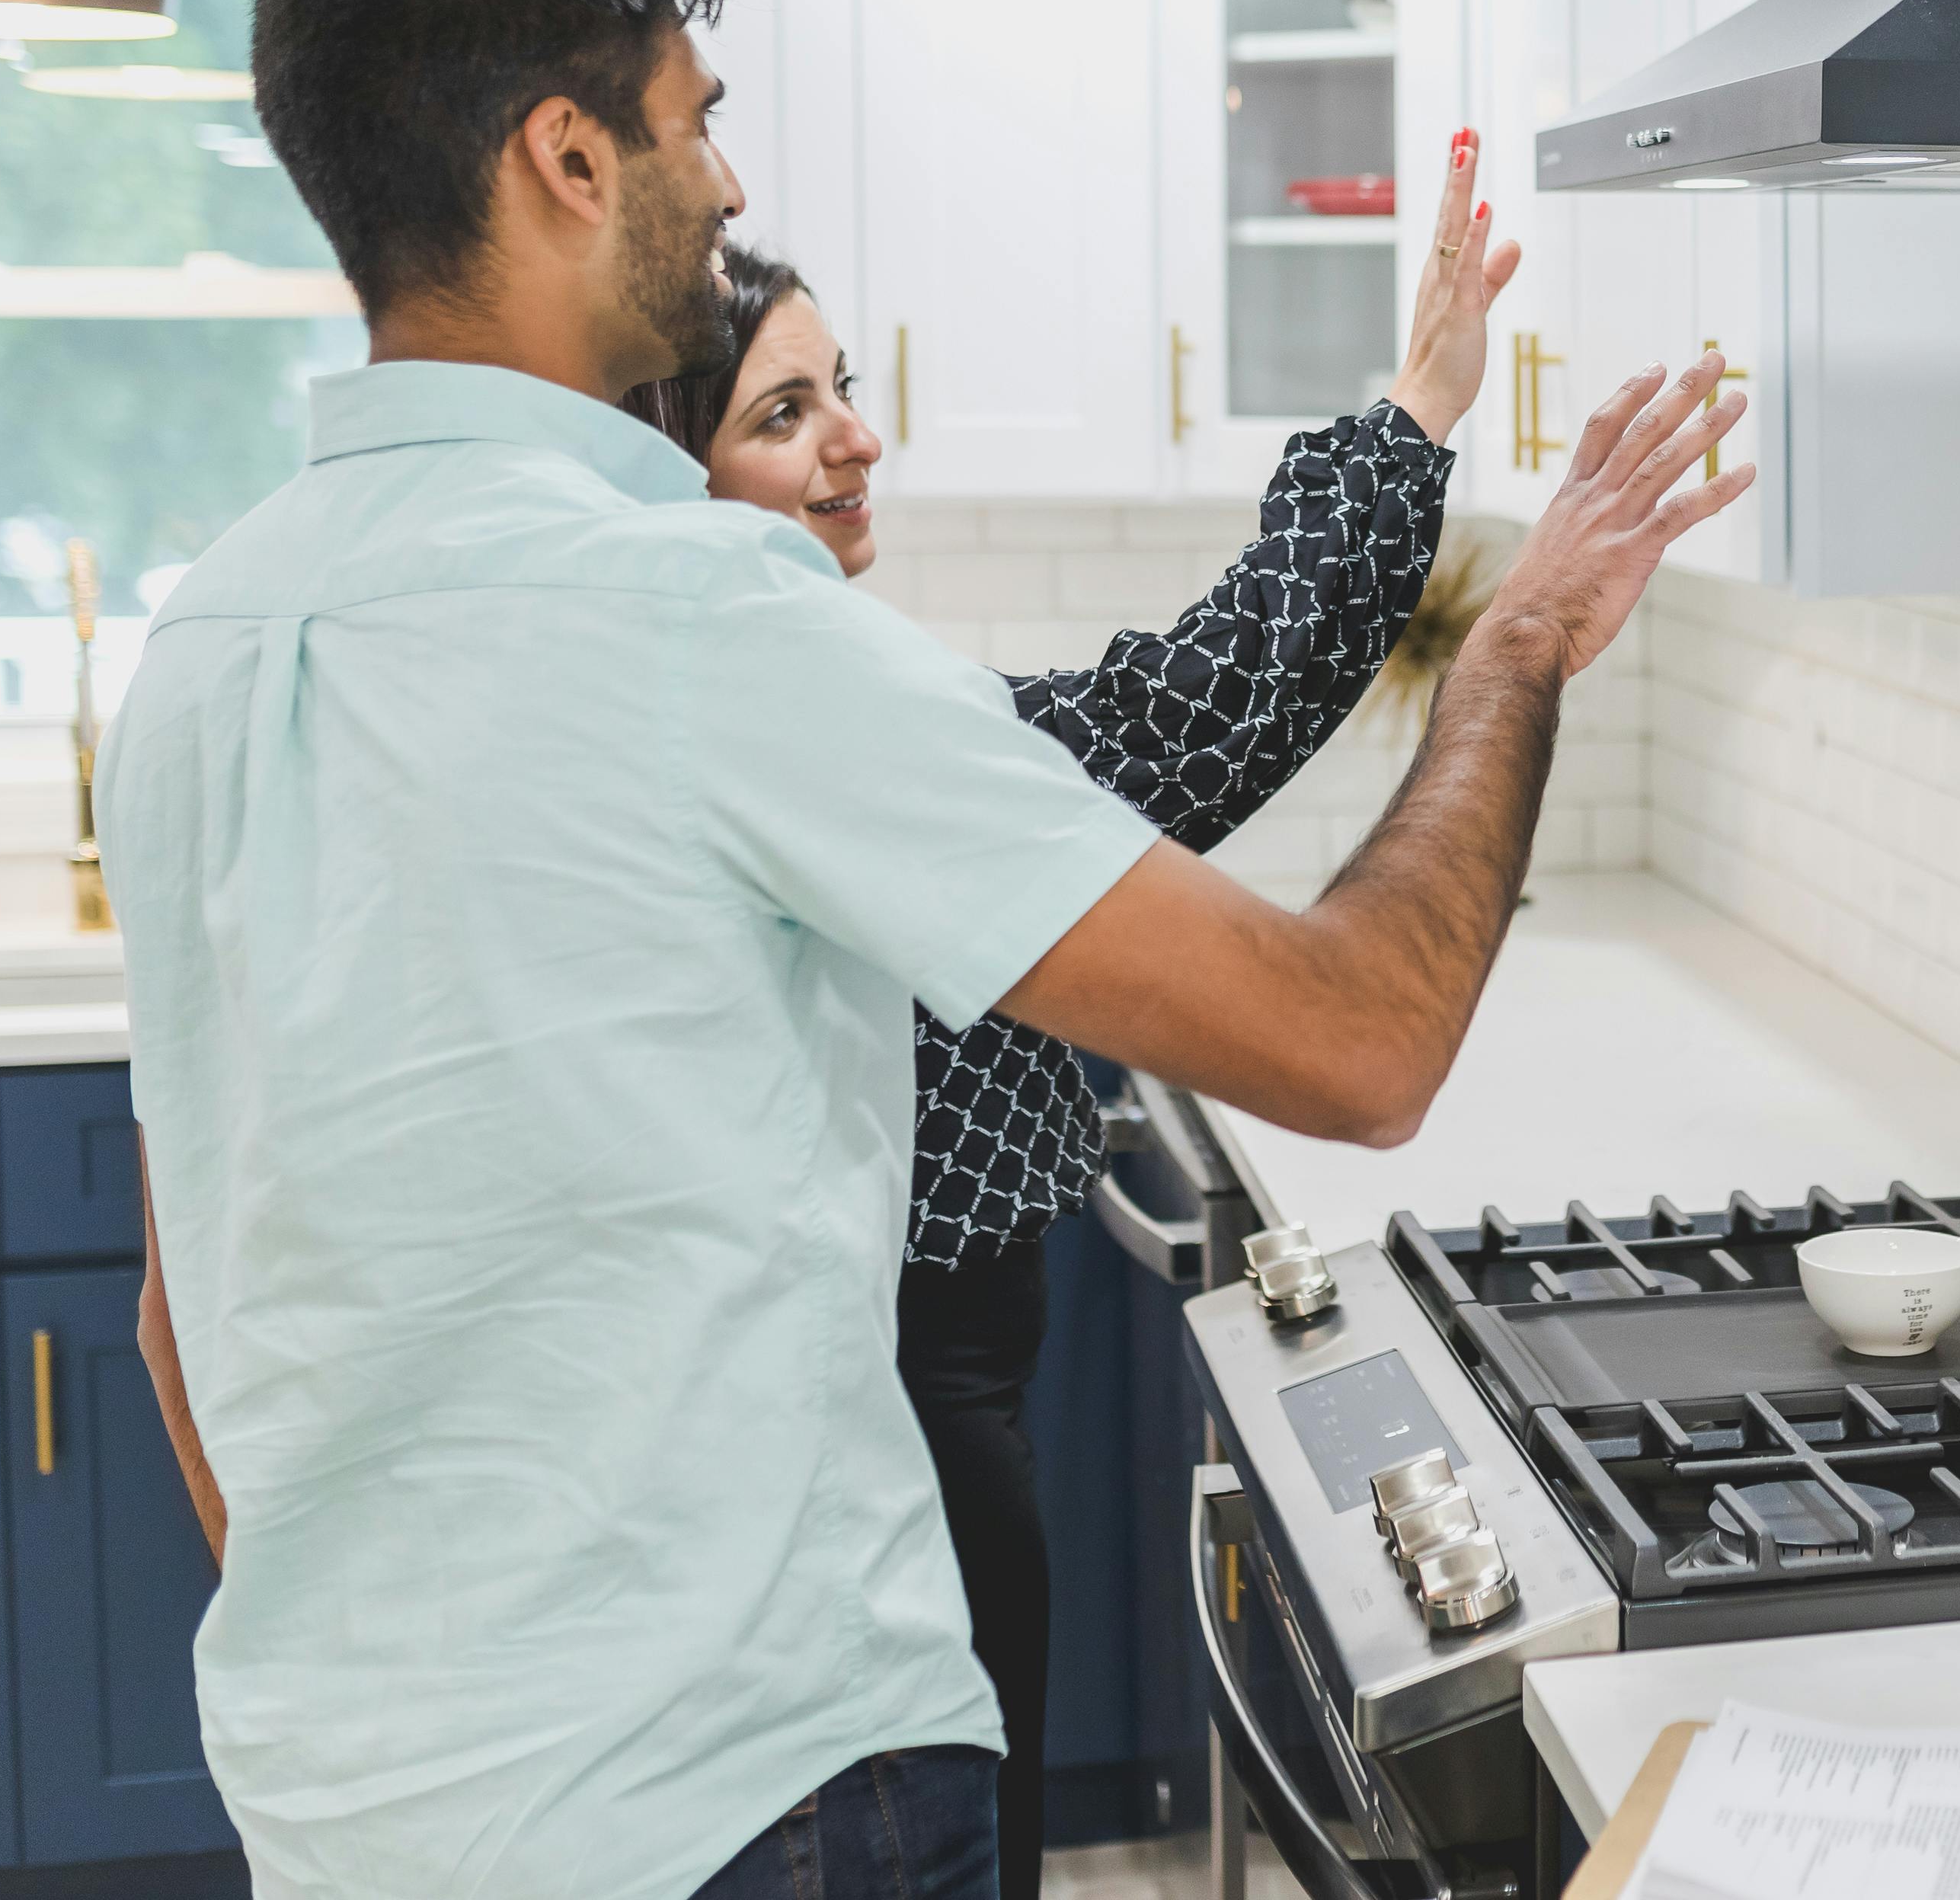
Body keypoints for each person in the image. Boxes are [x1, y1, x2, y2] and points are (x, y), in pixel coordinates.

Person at [105, 0, 1747, 1900]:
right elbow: (1362, 1039)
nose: (719, 186)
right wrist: (1504, 648)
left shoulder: (199, 647)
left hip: (356, 1829)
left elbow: (186, 1315)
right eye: (691, 122)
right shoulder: (699, 617)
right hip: (750, 1801)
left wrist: (413, 1721)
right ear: (565, 160)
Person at [619, 150, 1509, 1900]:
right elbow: (1207, 708)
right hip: (901, 1421)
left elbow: (1178, 714)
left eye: (843, 390)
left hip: (880, 1412)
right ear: (675, 484)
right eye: (783, 414)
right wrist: (1415, 417)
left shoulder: (750, 714)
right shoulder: (820, 733)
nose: (855, 439)